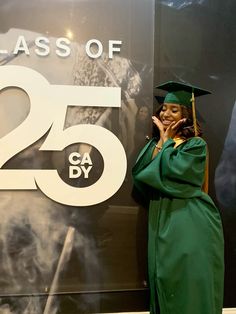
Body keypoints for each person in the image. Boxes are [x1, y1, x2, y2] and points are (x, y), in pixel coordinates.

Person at [132, 81, 224, 314]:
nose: (166, 114)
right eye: (164, 108)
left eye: (174, 110)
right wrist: (163, 141)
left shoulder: (195, 145)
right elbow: (143, 176)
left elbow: (175, 177)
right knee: (162, 277)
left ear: (186, 114)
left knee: (186, 283)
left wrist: (166, 144)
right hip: (162, 219)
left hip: (189, 220)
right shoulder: (156, 144)